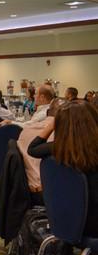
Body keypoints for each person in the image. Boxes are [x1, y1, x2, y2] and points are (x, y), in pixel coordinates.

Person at [27, 100, 98, 237]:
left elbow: (32, 149)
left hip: (66, 220)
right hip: (92, 225)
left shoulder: (58, 148)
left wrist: (50, 126)